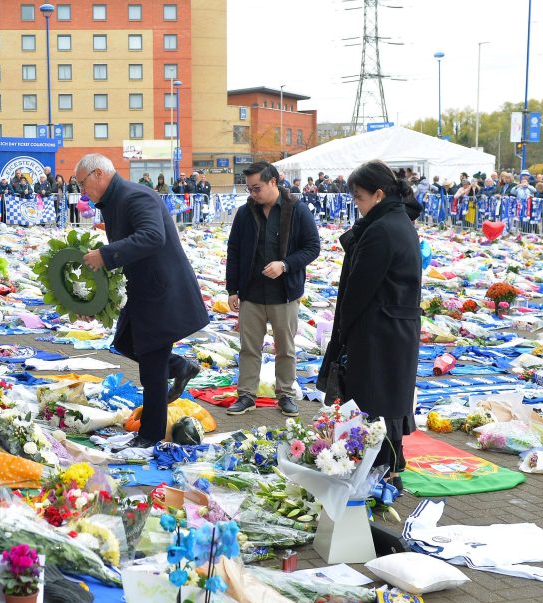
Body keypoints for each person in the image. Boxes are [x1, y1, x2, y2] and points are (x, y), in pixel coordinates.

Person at [77, 153, 207, 448]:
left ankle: (150, 434)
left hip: (160, 292)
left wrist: (106, 256)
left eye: (82, 183)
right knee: (126, 343)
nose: (83, 191)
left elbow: (152, 236)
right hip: (142, 290)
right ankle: (179, 367)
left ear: (98, 174)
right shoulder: (114, 201)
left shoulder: (135, 196)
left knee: (151, 367)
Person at [317, 160, 423, 489]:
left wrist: (342, 334)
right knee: (386, 403)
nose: (357, 205)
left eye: (360, 198)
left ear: (378, 195)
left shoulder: (382, 230)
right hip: (393, 327)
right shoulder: (394, 220)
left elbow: (359, 288)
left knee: (374, 405)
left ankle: (380, 476)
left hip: (378, 331)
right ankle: (389, 471)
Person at [225, 161, 320, 417]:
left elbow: (312, 247)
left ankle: (286, 395)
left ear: (273, 182)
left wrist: (285, 265)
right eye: (249, 189)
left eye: (257, 188)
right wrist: (232, 289)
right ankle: (246, 395)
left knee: (285, 349)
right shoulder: (246, 213)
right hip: (251, 293)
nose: (253, 194)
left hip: (284, 294)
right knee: (248, 348)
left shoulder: (297, 210)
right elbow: (233, 251)